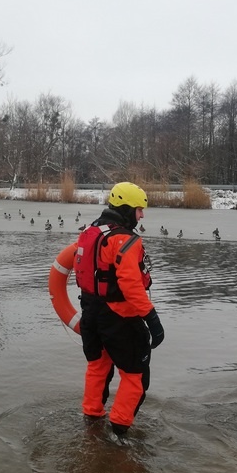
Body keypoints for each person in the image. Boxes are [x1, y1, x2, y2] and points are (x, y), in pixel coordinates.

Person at [74, 181, 164, 437]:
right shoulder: (125, 239)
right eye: (139, 210)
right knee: (135, 375)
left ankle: (91, 420)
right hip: (119, 317)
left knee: (97, 367)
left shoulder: (91, 231)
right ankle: (120, 430)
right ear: (127, 209)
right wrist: (152, 318)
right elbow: (131, 285)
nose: (142, 215)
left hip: (90, 313)